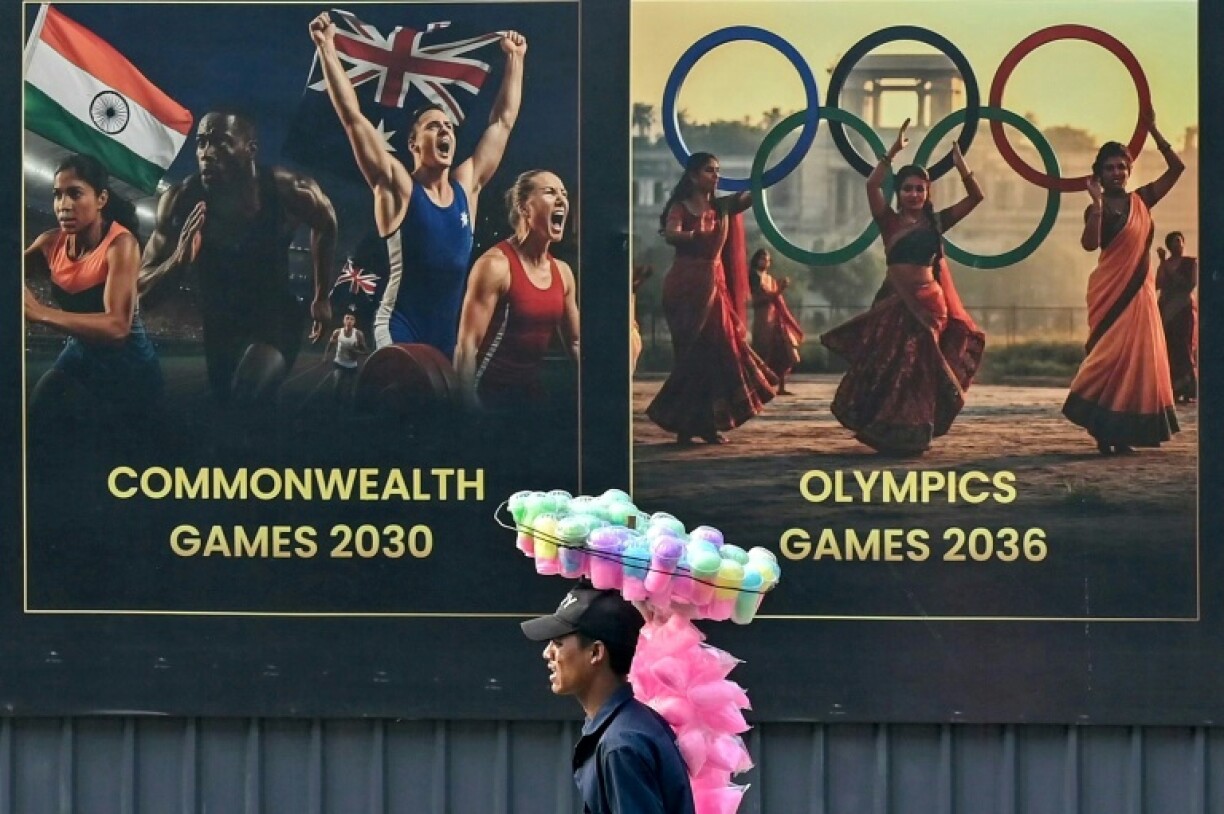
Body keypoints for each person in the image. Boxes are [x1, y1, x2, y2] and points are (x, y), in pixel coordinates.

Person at [309, 12, 526, 358]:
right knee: (404, 406)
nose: (445, 132)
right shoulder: (398, 187)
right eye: (434, 127)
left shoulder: (466, 188)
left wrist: (515, 59)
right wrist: (327, 49)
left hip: (449, 335)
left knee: (445, 410)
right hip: (398, 327)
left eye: (449, 128)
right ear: (413, 145)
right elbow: (352, 119)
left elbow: (502, 122)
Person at [138, 111, 337, 407]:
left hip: (274, 315)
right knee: (228, 408)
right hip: (220, 322)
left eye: (221, 143)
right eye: (202, 143)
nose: (207, 154)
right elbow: (142, 294)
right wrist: (178, 261)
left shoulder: (290, 191)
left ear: (251, 149)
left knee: (247, 391)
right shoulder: (180, 200)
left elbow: (327, 223)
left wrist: (321, 296)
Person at [820, 119, 985, 455]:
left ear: (928, 193)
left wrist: (961, 166)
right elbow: (871, 186)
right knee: (890, 365)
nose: (913, 194)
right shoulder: (889, 221)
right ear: (899, 193)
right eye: (907, 189)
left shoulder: (936, 222)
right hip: (893, 300)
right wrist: (891, 154)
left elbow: (976, 197)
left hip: (928, 305)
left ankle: (916, 432)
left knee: (919, 367)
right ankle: (886, 427)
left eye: (919, 189)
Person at [1063, 111, 1185, 454]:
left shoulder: (1141, 200)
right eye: (1110, 168)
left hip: (1142, 294)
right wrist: (1098, 205)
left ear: (1129, 171)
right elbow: (1089, 244)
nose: (1117, 173)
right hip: (1111, 290)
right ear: (1099, 174)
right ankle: (1103, 428)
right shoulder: (1097, 207)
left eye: (1122, 167)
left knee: (1139, 360)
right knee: (1109, 357)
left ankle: (1121, 431)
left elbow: (1177, 169)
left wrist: (1155, 132)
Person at [521, 581, 696, 814]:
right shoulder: (630, 725)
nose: (547, 653)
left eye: (559, 643)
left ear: (595, 653)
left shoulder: (620, 745)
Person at [24, 153, 162, 432]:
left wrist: (40, 314)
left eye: (75, 194)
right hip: (81, 352)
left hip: (131, 367)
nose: (63, 206)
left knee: (116, 447)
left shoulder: (121, 245)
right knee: (39, 410)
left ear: (101, 199)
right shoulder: (50, 244)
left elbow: (117, 328)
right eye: (57, 195)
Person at [645, 152, 776, 445]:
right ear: (692, 176)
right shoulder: (681, 207)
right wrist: (696, 235)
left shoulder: (723, 206)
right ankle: (683, 426)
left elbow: (755, 193)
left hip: (714, 286)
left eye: (718, 170)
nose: (716, 176)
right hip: (685, 285)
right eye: (709, 170)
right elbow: (671, 233)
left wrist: (769, 168)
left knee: (719, 353)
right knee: (690, 356)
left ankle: (706, 424)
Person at [453, 170, 579, 410]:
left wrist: (598, 393)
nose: (562, 199)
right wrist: (468, 409)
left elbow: (575, 342)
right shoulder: (494, 266)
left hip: (530, 394)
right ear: (524, 208)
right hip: (489, 395)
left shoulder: (563, 273)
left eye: (564, 193)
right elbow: (467, 346)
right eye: (550, 192)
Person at [748, 247, 803, 394]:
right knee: (762, 351)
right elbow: (764, 297)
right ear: (757, 260)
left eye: (767, 259)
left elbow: (775, 298)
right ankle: (758, 387)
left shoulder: (769, 278)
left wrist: (779, 290)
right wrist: (780, 289)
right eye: (763, 258)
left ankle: (781, 387)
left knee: (783, 352)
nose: (766, 262)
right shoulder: (755, 276)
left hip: (775, 318)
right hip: (763, 318)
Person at [1155, 231, 1197, 404]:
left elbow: (1189, 284)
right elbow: (1158, 284)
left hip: (1183, 309)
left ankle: (1189, 388)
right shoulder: (1164, 265)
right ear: (1169, 245)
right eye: (1174, 242)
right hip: (1166, 309)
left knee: (1183, 346)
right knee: (1169, 347)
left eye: (1180, 241)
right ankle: (1173, 388)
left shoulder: (1191, 263)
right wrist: (1163, 264)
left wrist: (1166, 266)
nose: (1178, 245)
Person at [315, 309, 368, 407]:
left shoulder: (358, 334)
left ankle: (348, 409)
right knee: (337, 385)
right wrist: (325, 356)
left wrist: (357, 352)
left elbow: (366, 351)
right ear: (343, 320)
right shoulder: (338, 332)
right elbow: (330, 345)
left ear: (354, 322)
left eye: (352, 319)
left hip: (352, 366)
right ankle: (335, 407)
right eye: (347, 318)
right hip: (339, 363)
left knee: (350, 391)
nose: (349, 321)